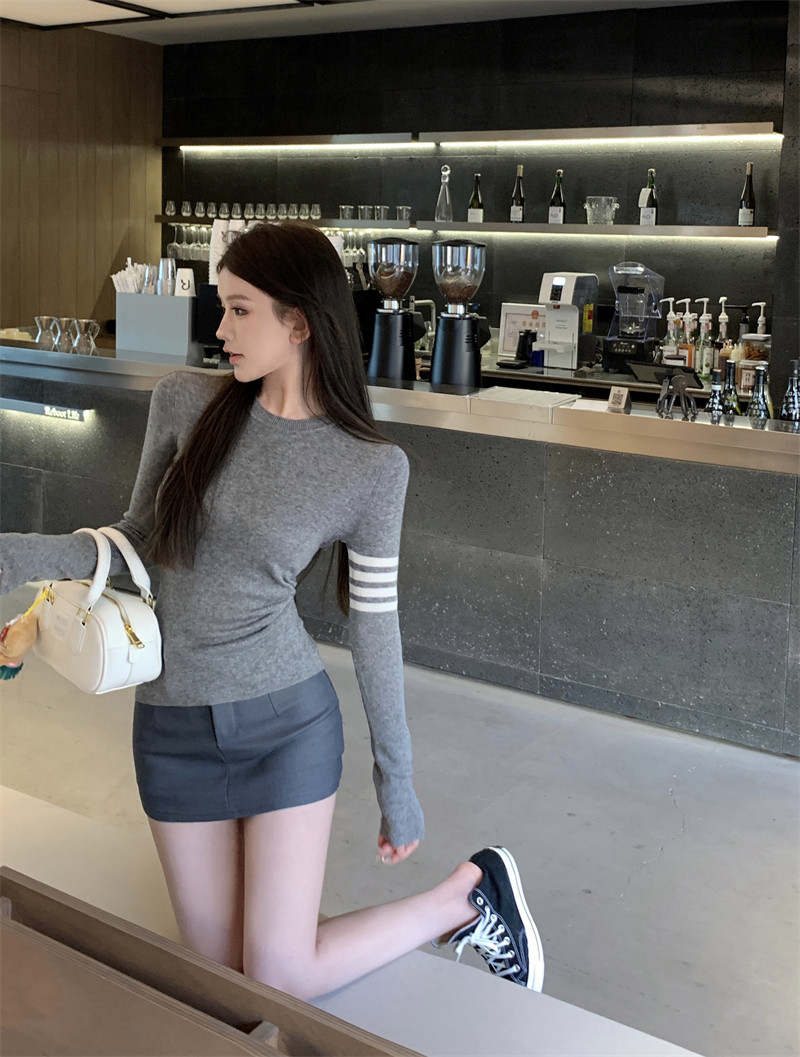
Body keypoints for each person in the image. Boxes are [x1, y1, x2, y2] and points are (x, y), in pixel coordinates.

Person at [0, 221, 544, 998]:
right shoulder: (185, 402)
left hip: (286, 728)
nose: (219, 329)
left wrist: (396, 777)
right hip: (172, 730)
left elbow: (374, 627)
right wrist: (18, 560)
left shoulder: (372, 469)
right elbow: (135, 539)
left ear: (299, 322)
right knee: (223, 980)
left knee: (277, 971)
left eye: (238, 309)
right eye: (221, 307)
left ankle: (465, 896)